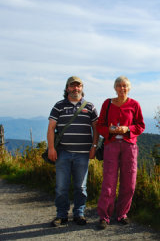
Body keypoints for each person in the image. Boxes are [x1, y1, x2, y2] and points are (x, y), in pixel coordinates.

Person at [47, 76, 99, 227]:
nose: (76, 89)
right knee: (61, 187)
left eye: (79, 86)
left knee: (81, 187)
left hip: (83, 153)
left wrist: (94, 147)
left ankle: (79, 214)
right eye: (72, 86)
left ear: (82, 88)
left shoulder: (90, 106)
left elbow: (96, 128)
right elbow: (51, 128)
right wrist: (51, 148)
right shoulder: (59, 106)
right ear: (67, 88)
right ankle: (61, 215)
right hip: (62, 152)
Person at [96, 76, 145, 229]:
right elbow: (100, 125)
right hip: (111, 145)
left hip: (129, 146)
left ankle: (122, 214)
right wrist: (109, 130)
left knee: (129, 183)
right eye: (119, 86)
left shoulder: (134, 104)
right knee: (109, 182)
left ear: (129, 88)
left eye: (125, 86)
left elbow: (141, 126)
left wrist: (128, 129)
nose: (122, 88)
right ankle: (104, 216)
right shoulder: (107, 103)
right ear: (115, 88)